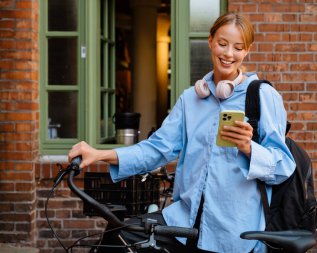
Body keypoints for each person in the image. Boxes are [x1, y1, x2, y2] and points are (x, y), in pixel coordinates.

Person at [68, 12, 295, 253]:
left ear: (246, 51)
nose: (229, 54)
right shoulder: (190, 99)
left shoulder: (262, 97)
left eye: (238, 48)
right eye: (222, 44)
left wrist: (250, 149)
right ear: (210, 42)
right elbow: (156, 149)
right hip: (184, 223)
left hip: (234, 234)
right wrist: (99, 154)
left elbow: (283, 167)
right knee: (119, 237)